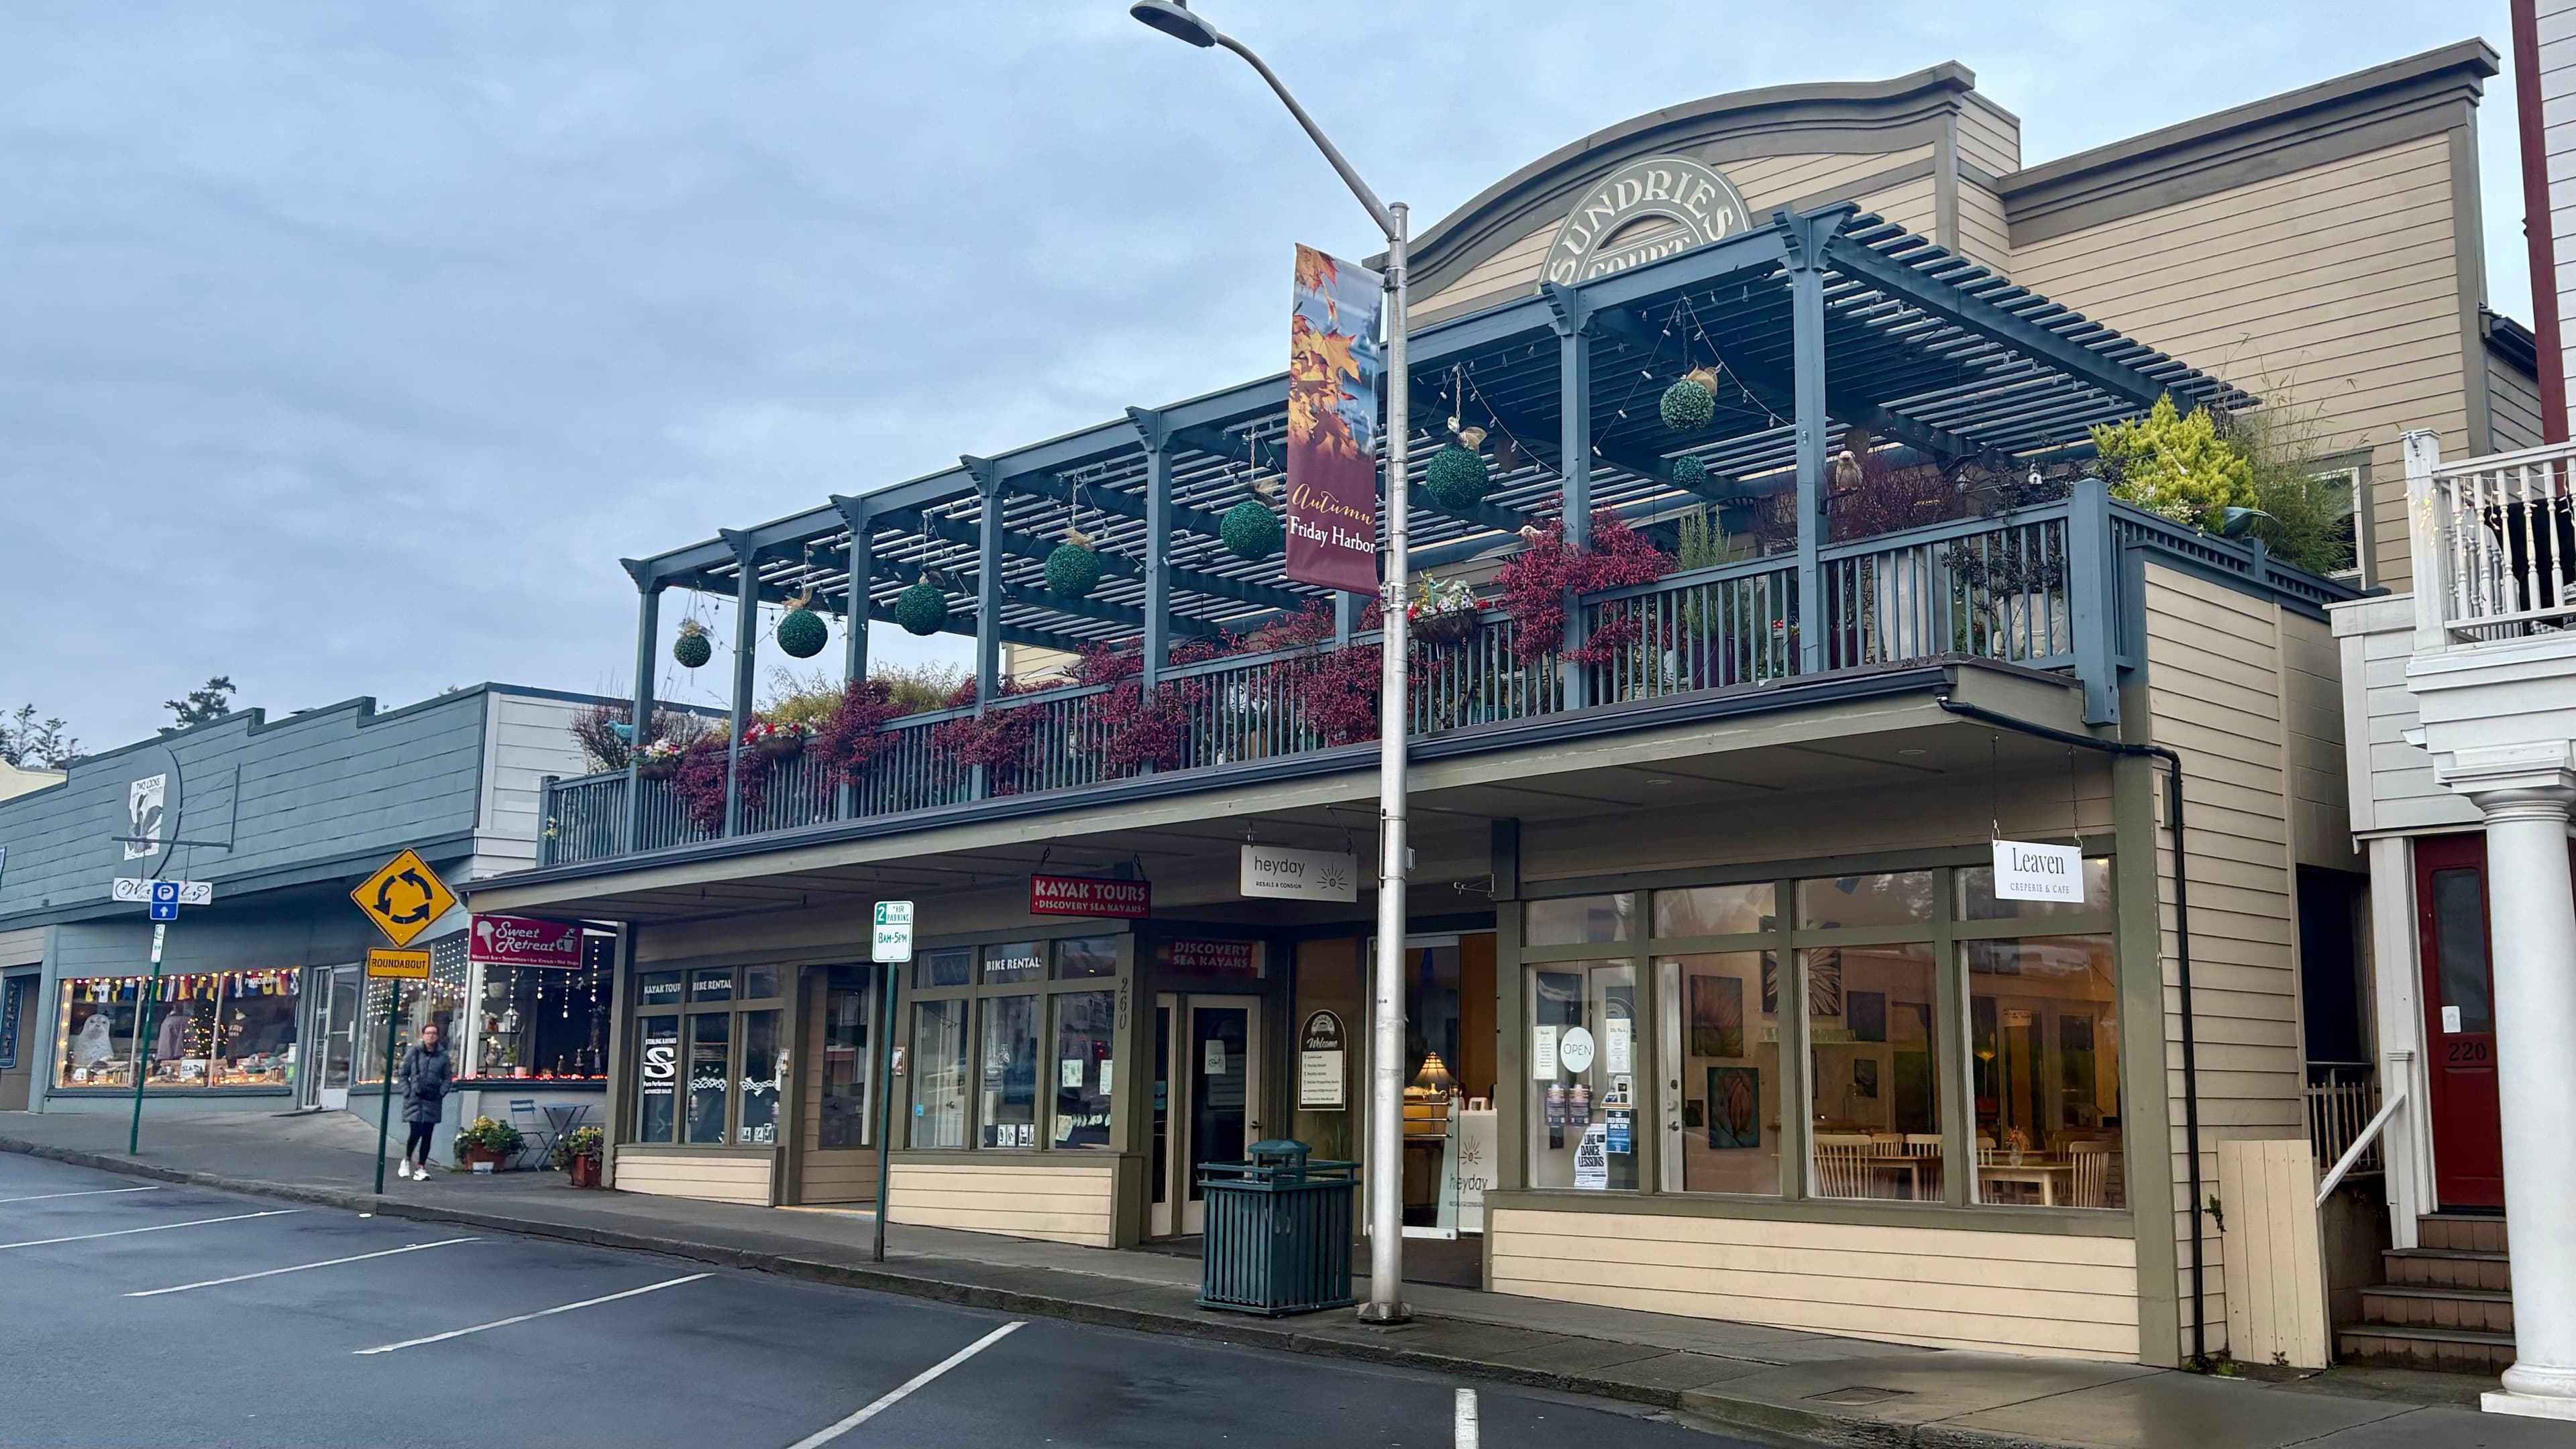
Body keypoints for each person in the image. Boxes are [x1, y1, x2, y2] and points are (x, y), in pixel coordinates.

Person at [392, 1022, 453, 1181]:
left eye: (434, 1033)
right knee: (416, 1131)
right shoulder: (414, 1052)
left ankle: (421, 1167)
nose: (431, 1036)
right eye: (428, 1033)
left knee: (428, 1133)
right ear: (423, 1035)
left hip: (432, 1099)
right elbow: (402, 1073)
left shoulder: (443, 1056)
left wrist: (441, 1093)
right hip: (415, 1098)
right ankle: (407, 1159)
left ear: (438, 1036)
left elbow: (447, 1077)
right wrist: (407, 1091)